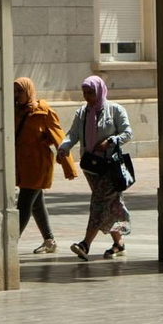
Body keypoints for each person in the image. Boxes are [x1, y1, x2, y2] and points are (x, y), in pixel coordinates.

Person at [56, 75, 134, 258]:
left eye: (91, 93)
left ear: (99, 91)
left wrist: (111, 141)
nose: (87, 97)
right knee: (110, 205)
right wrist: (63, 148)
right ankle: (119, 243)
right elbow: (73, 134)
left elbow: (128, 132)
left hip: (110, 167)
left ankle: (85, 244)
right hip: (91, 167)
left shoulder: (115, 110)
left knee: (98, 204)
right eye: (85, 93)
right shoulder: (82, 113)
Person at [13, 77, 78, 254]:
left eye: (20, 91)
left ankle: (10, 243)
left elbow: (60, 138)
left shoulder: (44, 111)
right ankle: (49, 240)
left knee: (24, 203)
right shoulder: (14, 111)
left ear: (29, 91)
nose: (17, 95)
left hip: (38, 165)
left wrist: (69, 166)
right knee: (36, 203)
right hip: (21, 165)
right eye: (15, 91)